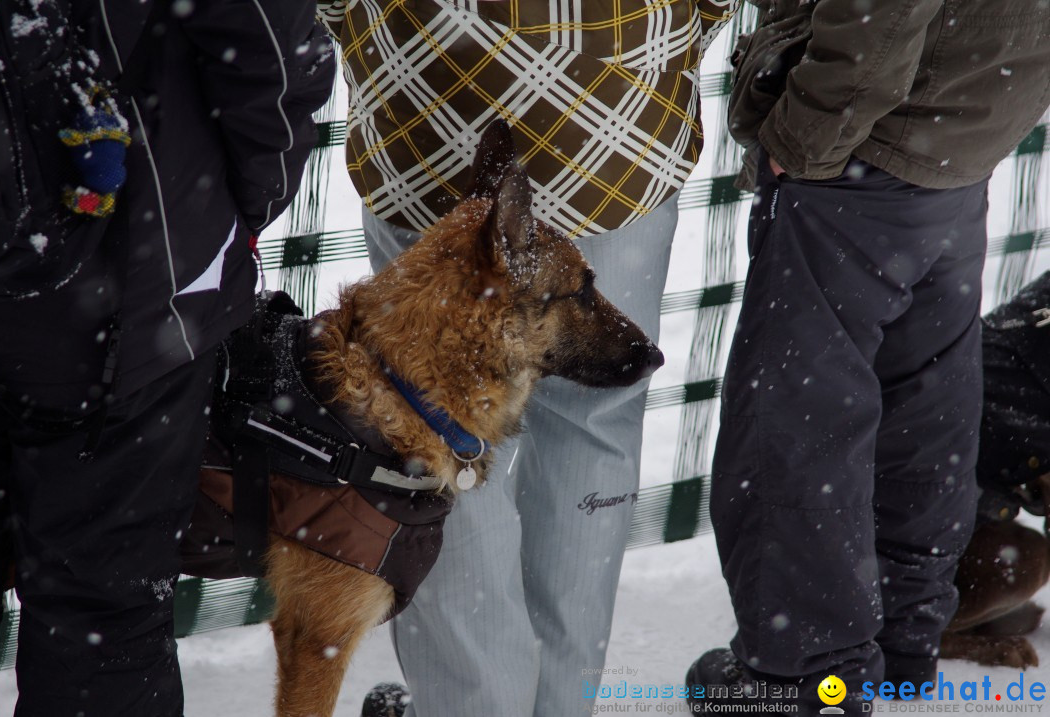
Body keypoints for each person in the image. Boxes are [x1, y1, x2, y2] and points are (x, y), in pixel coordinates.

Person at [320, 1, 739, 715]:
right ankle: (558, 703)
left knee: (430, 422)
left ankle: (470, 702)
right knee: (593, 423)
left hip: (427, 81)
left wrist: (368, 32)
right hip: (618, 100)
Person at [0, 1, 333, 715]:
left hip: (108, 276)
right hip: (124, 285)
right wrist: (227, 214)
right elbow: (274, 48)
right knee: (102, 616)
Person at [687, 0, 1050, 710]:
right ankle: (901, 643)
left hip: (870, 140)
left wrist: (805, 136)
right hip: (970, 121)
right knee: (927, 403)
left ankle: (802, 676)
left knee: (797, 417)